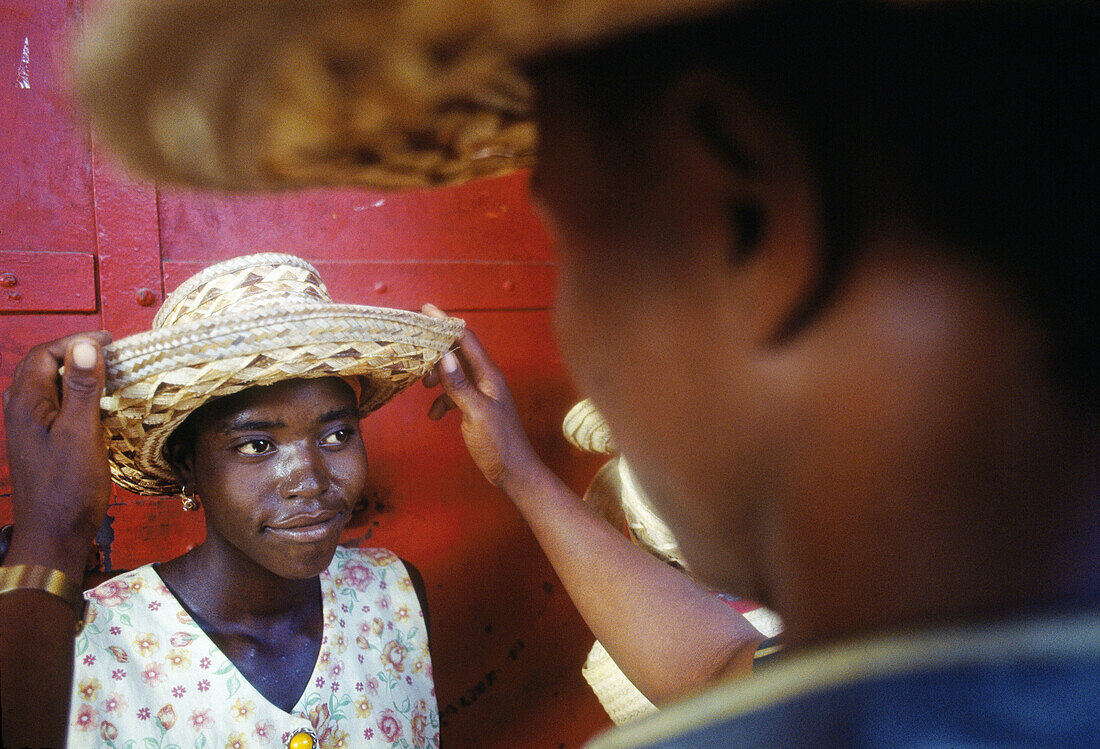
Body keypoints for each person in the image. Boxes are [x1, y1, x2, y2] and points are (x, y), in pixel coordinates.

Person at [19, 0, 1100, 745]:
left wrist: (48, 548)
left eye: (571, 240)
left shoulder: (384, 598)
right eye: (255, 440)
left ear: (743, 214)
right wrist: (528, 479)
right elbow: (737, 674)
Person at [0, 253, 462, 747]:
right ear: (185, 463)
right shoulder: (73, 641)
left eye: (337, 434)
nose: (309, 480)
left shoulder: (393, 594)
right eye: (257, 445)